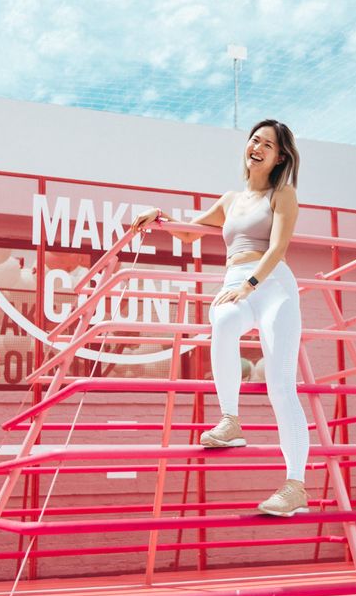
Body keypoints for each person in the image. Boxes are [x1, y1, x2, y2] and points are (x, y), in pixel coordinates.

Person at [131, 119, 311, 517]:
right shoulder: (231, 199)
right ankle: (231, 421)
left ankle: (295, 484)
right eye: (254, 139)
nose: (257, 147)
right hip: (237, 285)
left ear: (280, 156)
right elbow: (190, 233)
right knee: (224, 322)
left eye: (268, 144)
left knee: (281, 387)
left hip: (271, 286)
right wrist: (158, 217)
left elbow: (278, 247)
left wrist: (250, 284)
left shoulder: (283, 195)